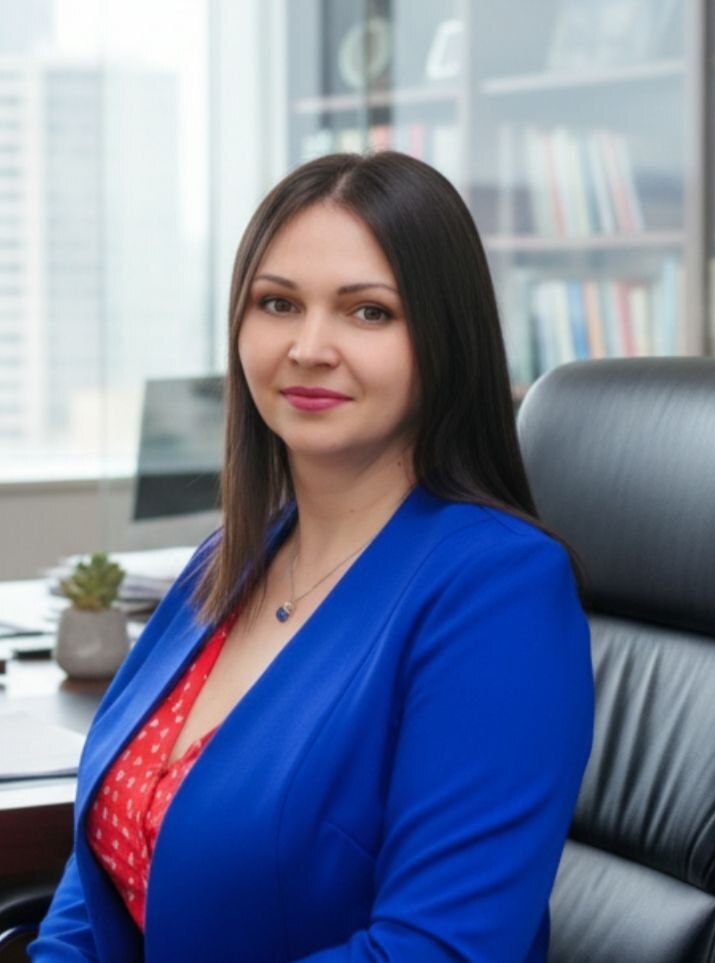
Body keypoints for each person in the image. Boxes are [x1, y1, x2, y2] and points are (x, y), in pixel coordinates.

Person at [29, 150, 595, 962]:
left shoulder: (498, 592)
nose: (309, 346)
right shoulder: (227, 561)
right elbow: (94, 893)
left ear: (444, 338)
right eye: (278, 303)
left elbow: (437, 949)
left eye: (368, 312)